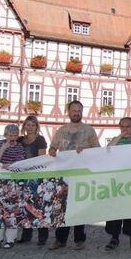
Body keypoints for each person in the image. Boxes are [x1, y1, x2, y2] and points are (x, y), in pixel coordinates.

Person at [47, 100, 101, 250]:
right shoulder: (61, 130)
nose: (76, 113)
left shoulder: (89, 130)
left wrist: (86, 149)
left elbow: (98, 150)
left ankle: (79, 239)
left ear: (82, 112)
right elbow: (53, 147)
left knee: (79, 207)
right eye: (74, 110)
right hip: (64, 175)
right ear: (68, 112)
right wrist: (51, 151)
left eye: (79, 110)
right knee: (63, 207)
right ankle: (60, 239)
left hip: (81, 174)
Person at [104, 117, 131, 251]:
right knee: (115, 209)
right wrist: (120, 136)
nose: (125, 129)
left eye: (127, 127)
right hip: (118, 180)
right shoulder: (117, 140)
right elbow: (108, 149)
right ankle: (114, 237)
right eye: (122, 127)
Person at [0, 124, 26, 249]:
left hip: (13, 182)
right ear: (5, 135)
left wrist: (8, 165)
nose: (13, 138)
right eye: (10, 135)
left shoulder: (20, 147)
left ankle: (10, 239)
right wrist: (4, 147)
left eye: (15, 135)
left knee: (12, 211)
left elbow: (20, 163)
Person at [16, 115, 49, 245]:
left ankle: (42, 236)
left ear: (36, 127)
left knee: (39, 206)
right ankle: (26, 234)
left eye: (32, 125)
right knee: (25, 206)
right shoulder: (19, 140)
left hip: (36, 177)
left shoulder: (40, 140)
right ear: (24, 126)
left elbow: (41, 158)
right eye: (27, 125)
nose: (30, 127)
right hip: (23, 178)